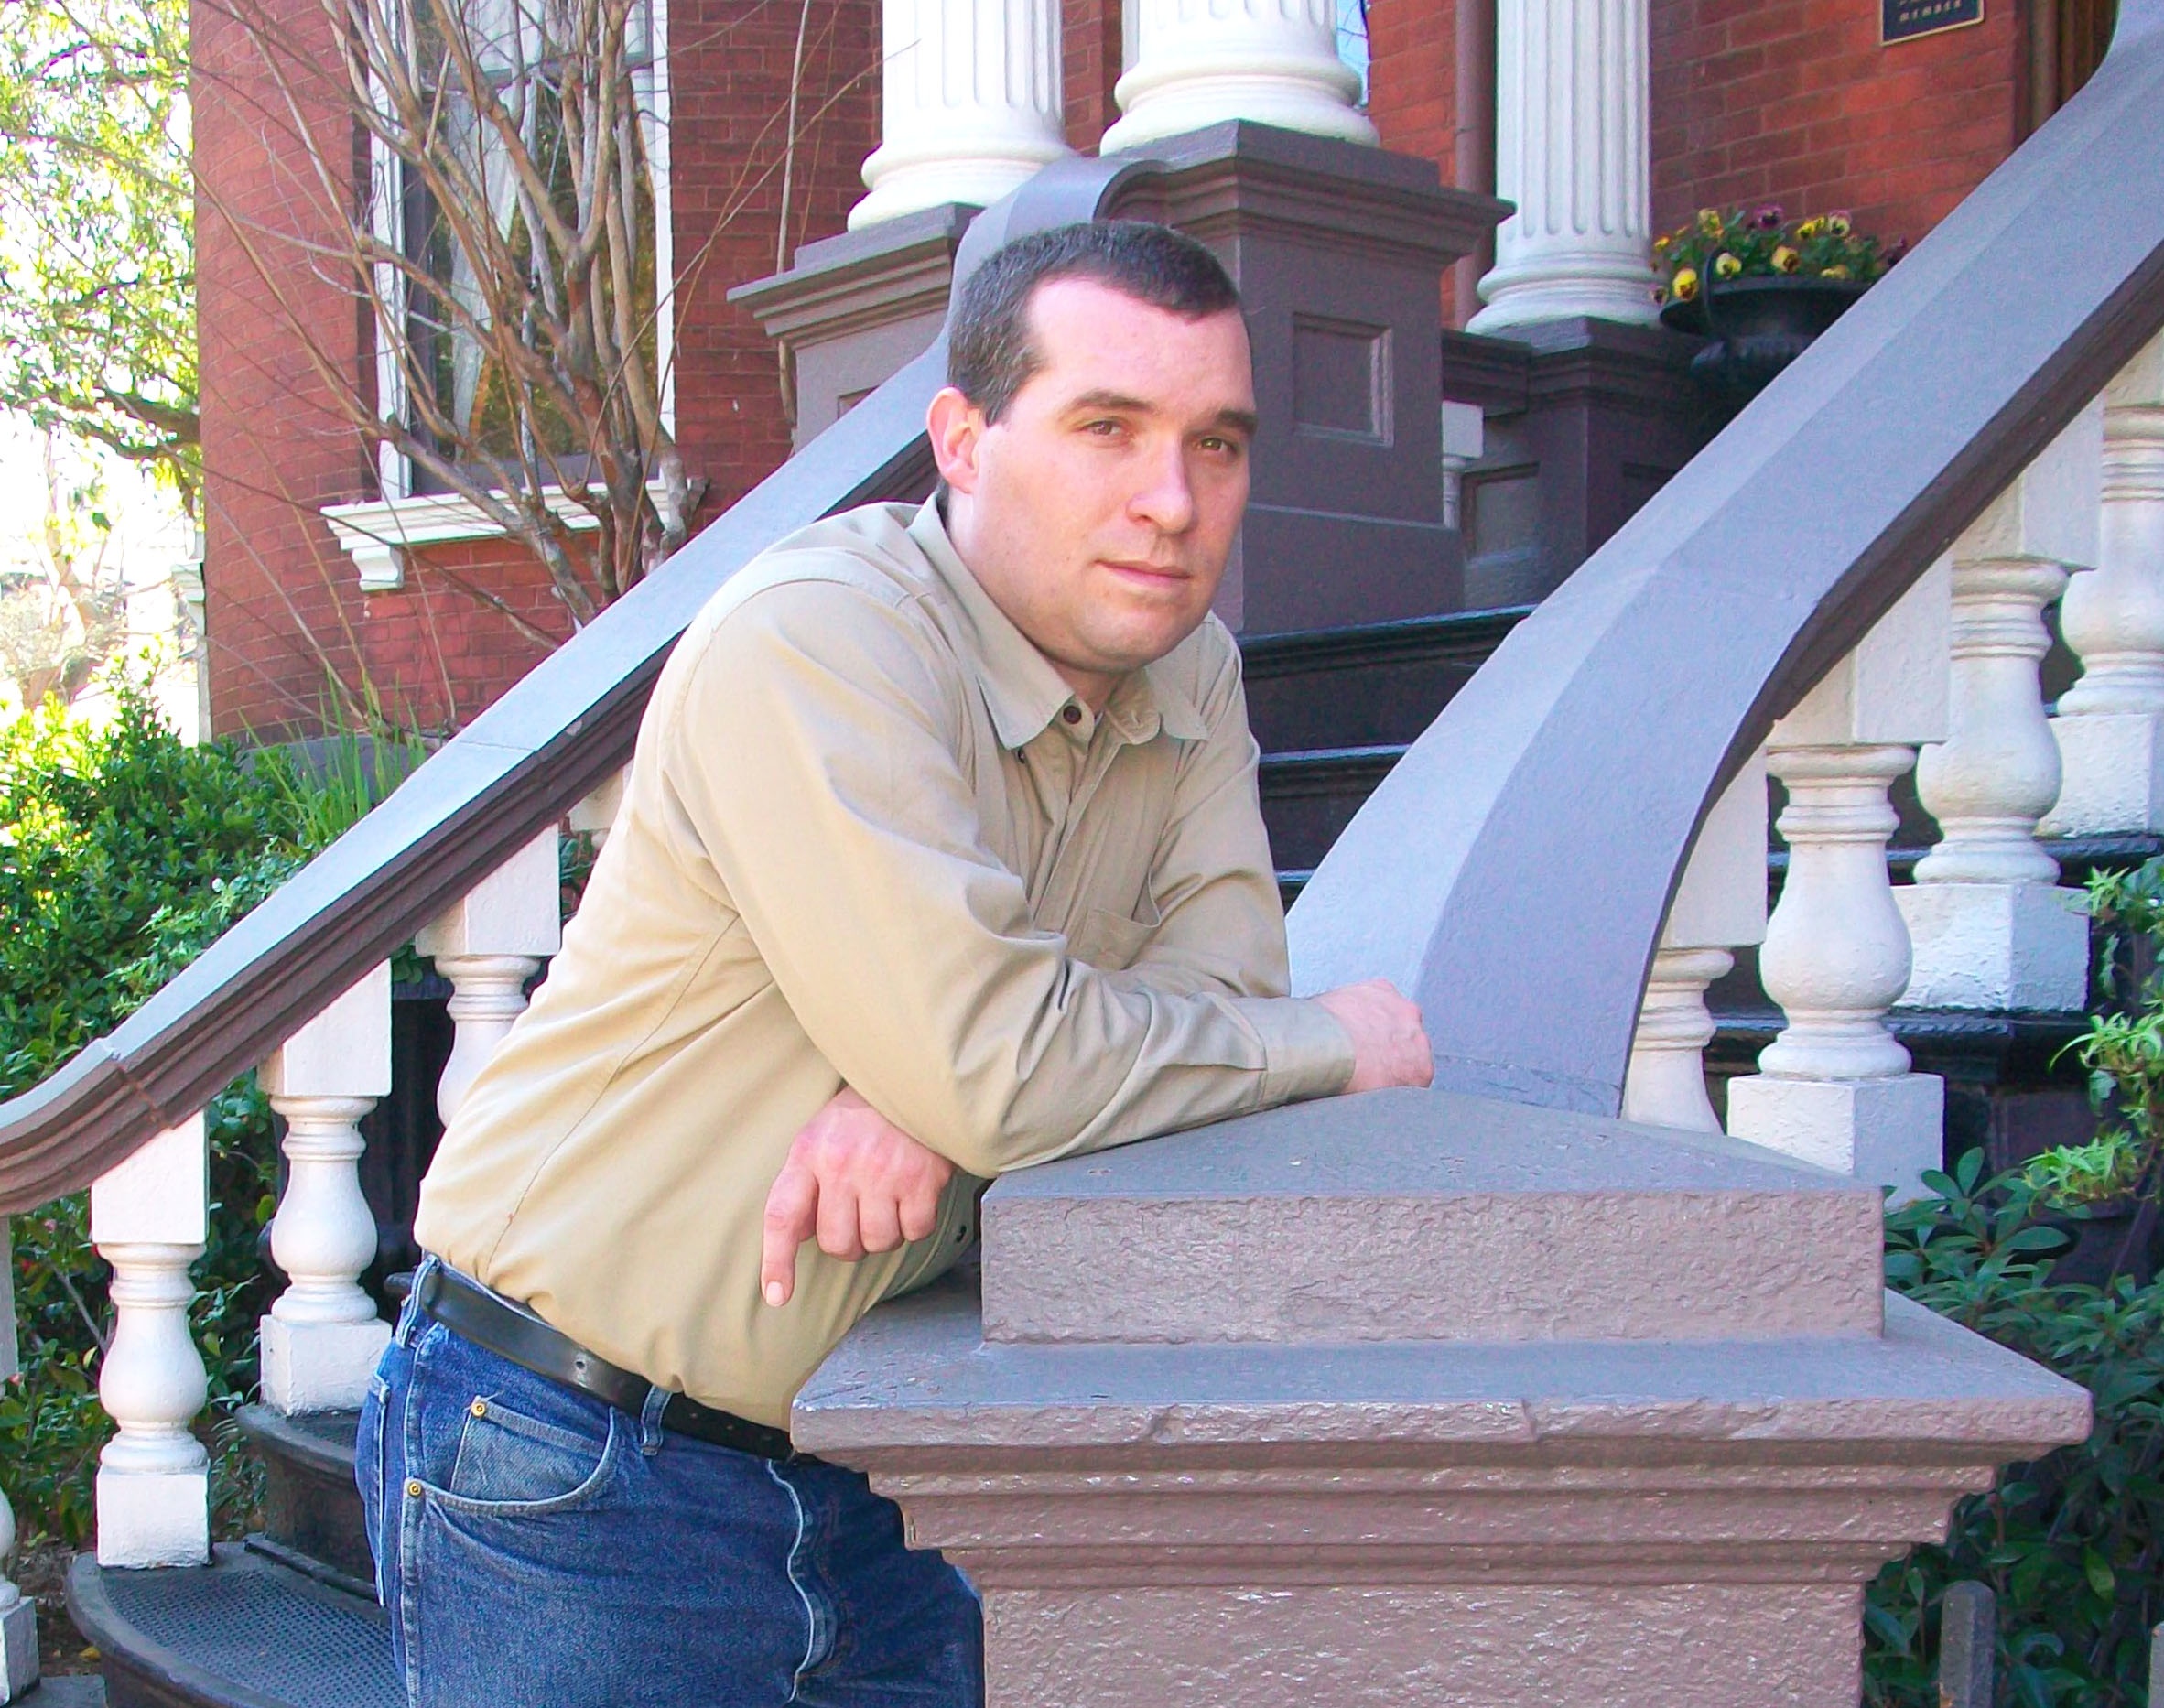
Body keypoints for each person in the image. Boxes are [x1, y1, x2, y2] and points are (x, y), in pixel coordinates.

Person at [358, 220, 1434, 1708]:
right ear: (964, 442)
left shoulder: (1192, 668)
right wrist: (1328, 1041)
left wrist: (934, 1099)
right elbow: (1068, 1056)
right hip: (576, 1462)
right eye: (1107, 428)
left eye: (1218, 443)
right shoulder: (820, 638)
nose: (1172, 500)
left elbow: (1206, 998)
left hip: (882, 1470)